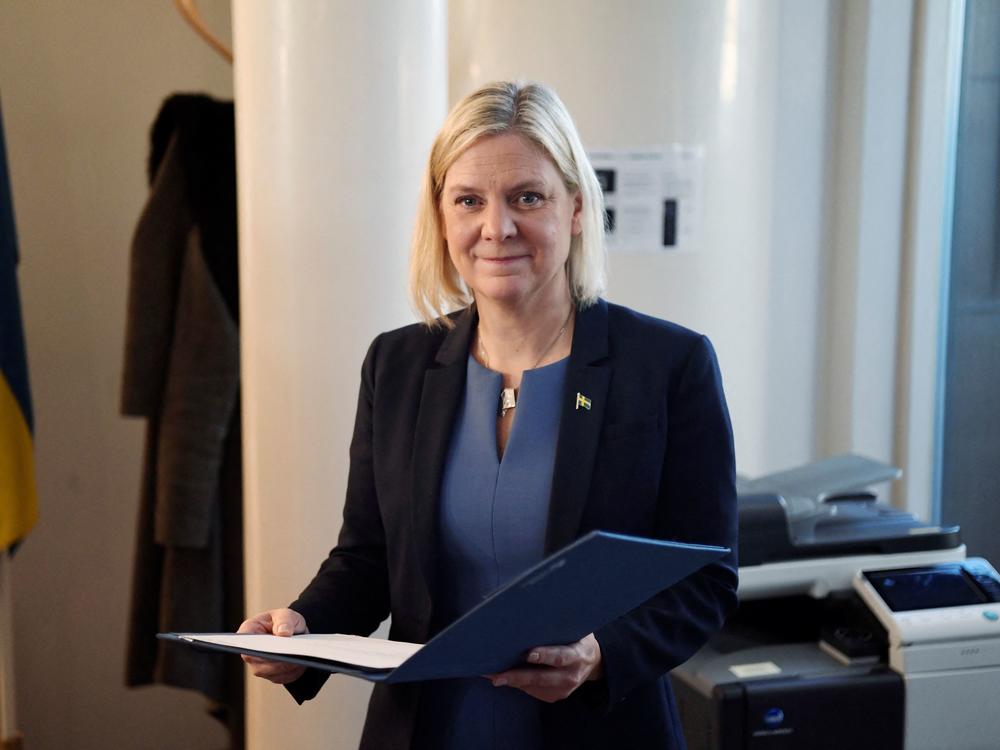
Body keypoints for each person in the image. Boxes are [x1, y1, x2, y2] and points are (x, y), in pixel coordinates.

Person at [238, 80, 737, 750]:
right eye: (469, 200)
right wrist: (301, 628)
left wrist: (602, 655)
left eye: (527, 197)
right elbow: (369, 558)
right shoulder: (399, 365)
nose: (496, 228)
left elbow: (705, 578)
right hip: (429, 731)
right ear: (442, 216)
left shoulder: (668, 366)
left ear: (577, 207)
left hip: (600, 731)